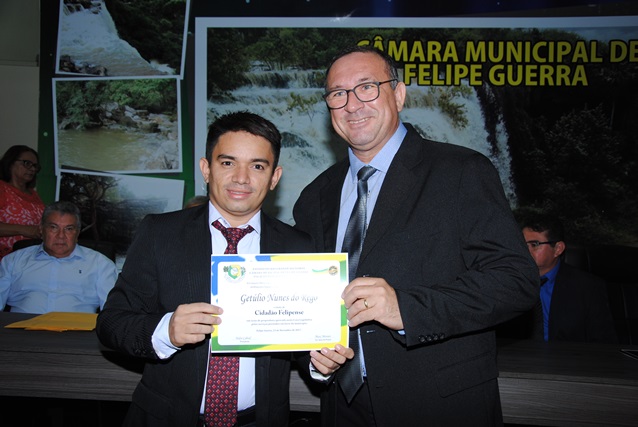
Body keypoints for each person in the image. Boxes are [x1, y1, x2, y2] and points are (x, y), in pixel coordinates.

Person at [293, 45, 539, 426]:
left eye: (367, 87)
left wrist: (406, 309)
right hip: (341, 408)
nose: (352, 104)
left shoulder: (461, 171)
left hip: (440, 406)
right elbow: (303, 301)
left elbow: (516, 281)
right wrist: (312, 356)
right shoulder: (314, 196)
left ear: (399, 93)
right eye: (338, 94)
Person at [96, 112, 321, 427]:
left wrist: (320, 362)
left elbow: (303, 340)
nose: (241, 178)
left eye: (257, 166)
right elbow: (111, 324)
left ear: (274, 177)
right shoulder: (159, 233)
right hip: (166, 419)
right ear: (206, 168)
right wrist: (166, 331)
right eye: (228, 163)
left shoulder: (298, 246)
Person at [0, 200, 118, 313]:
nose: (61, 236)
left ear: (77, 233)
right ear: (41, 229)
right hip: (20, 331)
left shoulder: (101, 265)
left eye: (69, 229)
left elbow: (112, 314)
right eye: (53, 227)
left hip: (76, 332)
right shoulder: (12, 261)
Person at [517, 212, 618, 343]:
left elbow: (603, 343)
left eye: (534, 244)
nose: (526, 251)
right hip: (519, 359)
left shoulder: (588, 287)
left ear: (558, 249)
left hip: (569, 359)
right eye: (522, 245)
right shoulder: (510, 282)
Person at [0, 145, 46, 261]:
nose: (32, 169)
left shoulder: (34, 194)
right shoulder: (2, 188)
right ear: (10, 163)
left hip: (29, 262)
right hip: (6, 261)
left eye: (35, 166)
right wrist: (24, 229)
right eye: (27, 163)